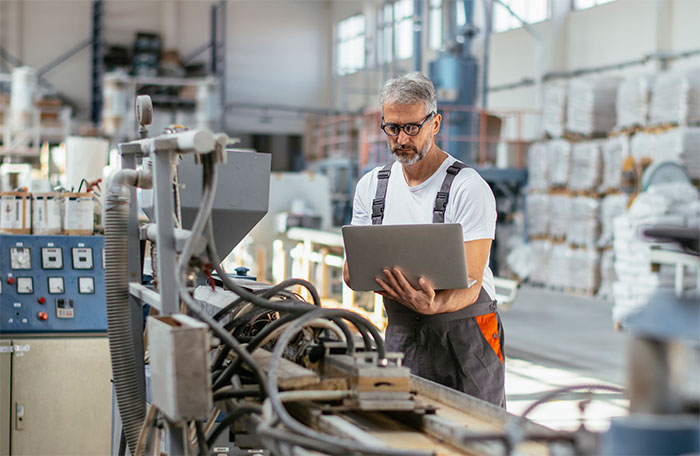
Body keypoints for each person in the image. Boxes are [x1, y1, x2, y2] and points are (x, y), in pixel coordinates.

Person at [343, 72, 505, 407]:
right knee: (407, 428)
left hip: (465, 334)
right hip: (402, 329)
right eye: (392, 128)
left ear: (435, 123)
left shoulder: (467, 187)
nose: (401, 139)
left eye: (412, 128)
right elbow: (351, 271)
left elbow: (472, 282)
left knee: (477, 433)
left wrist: (435, 305)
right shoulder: (372, 186)